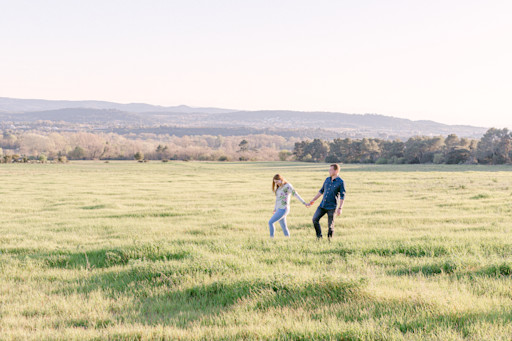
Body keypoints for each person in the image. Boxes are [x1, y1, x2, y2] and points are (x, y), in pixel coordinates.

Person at [308, 164, 346, 241]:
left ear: (336, 171)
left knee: (330, 226)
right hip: (322, 205)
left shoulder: (341, 182)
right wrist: (313, 200)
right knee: (315, 219)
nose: (329, 171)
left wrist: (340, 208)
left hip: (332, 207)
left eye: (331, 170)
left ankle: (329, 241)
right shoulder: (327, 180)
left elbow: (342, 196)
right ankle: (319, 237)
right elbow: (321, 191)